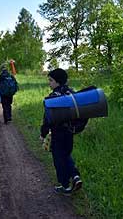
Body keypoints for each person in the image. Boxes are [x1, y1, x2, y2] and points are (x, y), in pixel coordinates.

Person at [39, 68, 83, 196]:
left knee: (59, 159)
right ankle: (75, 176)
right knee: (66, 155)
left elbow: (47, 119)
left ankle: (65, 186)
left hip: (58, 134)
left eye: (51, 80)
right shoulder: (72, 93)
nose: (49, 83)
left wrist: (43, 133)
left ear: (57, 82)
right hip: (69, 133)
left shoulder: (53, 98)